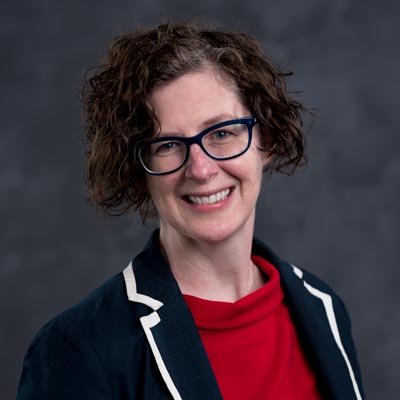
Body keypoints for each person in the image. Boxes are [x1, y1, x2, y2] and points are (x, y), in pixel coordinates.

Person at [17, 22, 364, 399]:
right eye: (167, 145)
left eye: (222, 133)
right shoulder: (79, 349)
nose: (200, 169)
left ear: (267, 140)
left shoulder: (323, 308)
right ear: (138, 170)